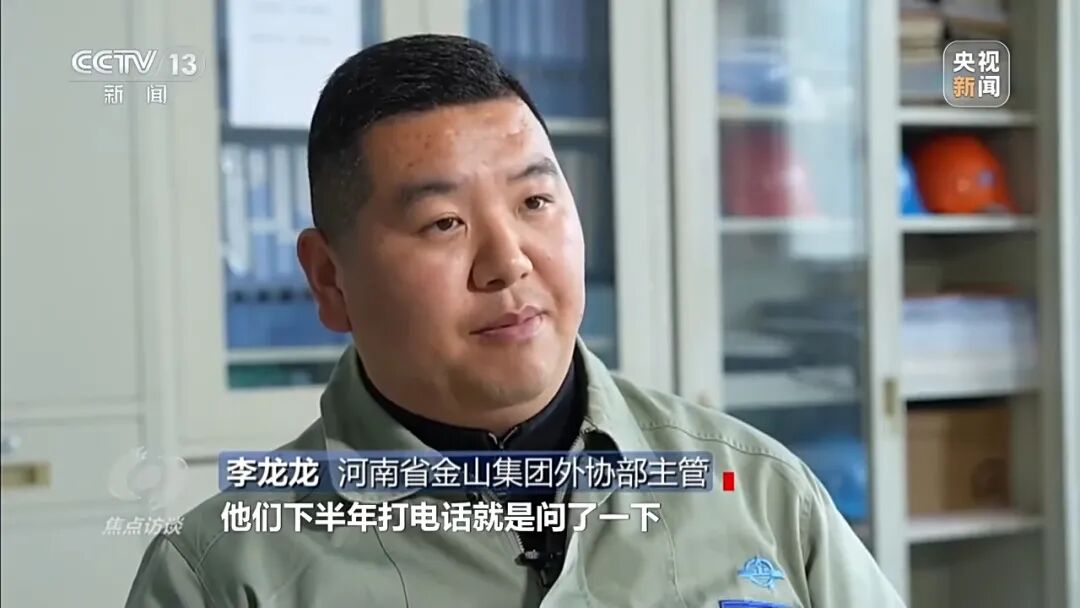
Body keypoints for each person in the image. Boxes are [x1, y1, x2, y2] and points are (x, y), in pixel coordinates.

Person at [126, 34, 907, 607]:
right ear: (330, 280)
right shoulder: (222, 574)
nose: (507, 262)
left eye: (535, 201)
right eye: (443, 222)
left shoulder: (761, 492)